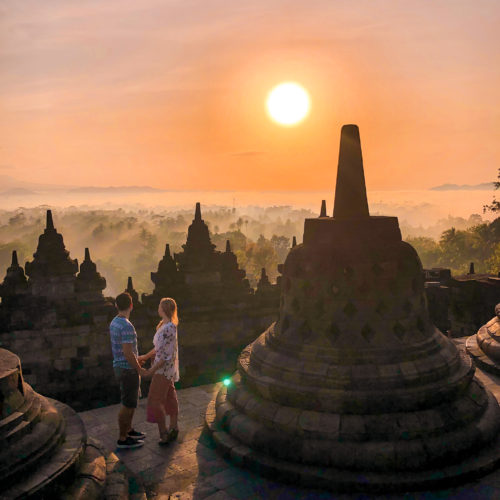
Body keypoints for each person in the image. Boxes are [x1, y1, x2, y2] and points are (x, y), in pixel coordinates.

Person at [110, 292, 164, 449]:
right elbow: (127, 352)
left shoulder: (114, 322)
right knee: (127, 404)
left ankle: (129, 430)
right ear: (131, 306)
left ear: (116, 306)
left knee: (132, 402)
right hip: (128, 370)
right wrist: (139, 369)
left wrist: (139, 358)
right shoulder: (127, 326)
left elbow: (124, 352)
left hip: (121, 365)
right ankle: (122, 438)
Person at [140, 297, 180, 445]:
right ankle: (174, 427)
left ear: (163, 309)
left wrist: (151, 371)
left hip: (163, 370)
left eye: (159, 306)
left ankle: (164, 434)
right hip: (165, 369)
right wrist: (145, 356)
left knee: (155, 400)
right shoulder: (164, 325)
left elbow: (165, 355)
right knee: (170, 396)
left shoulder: (169, 327)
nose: (158, 308)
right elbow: (158, 349)